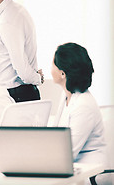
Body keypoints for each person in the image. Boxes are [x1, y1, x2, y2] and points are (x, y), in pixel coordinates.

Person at [52, 43, 109, 184]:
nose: (50, 68)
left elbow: (66, 154)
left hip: (89, 174)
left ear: (62, 73)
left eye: (53, 64)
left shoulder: (84, 106)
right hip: (75, 168)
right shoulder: (66, 96)